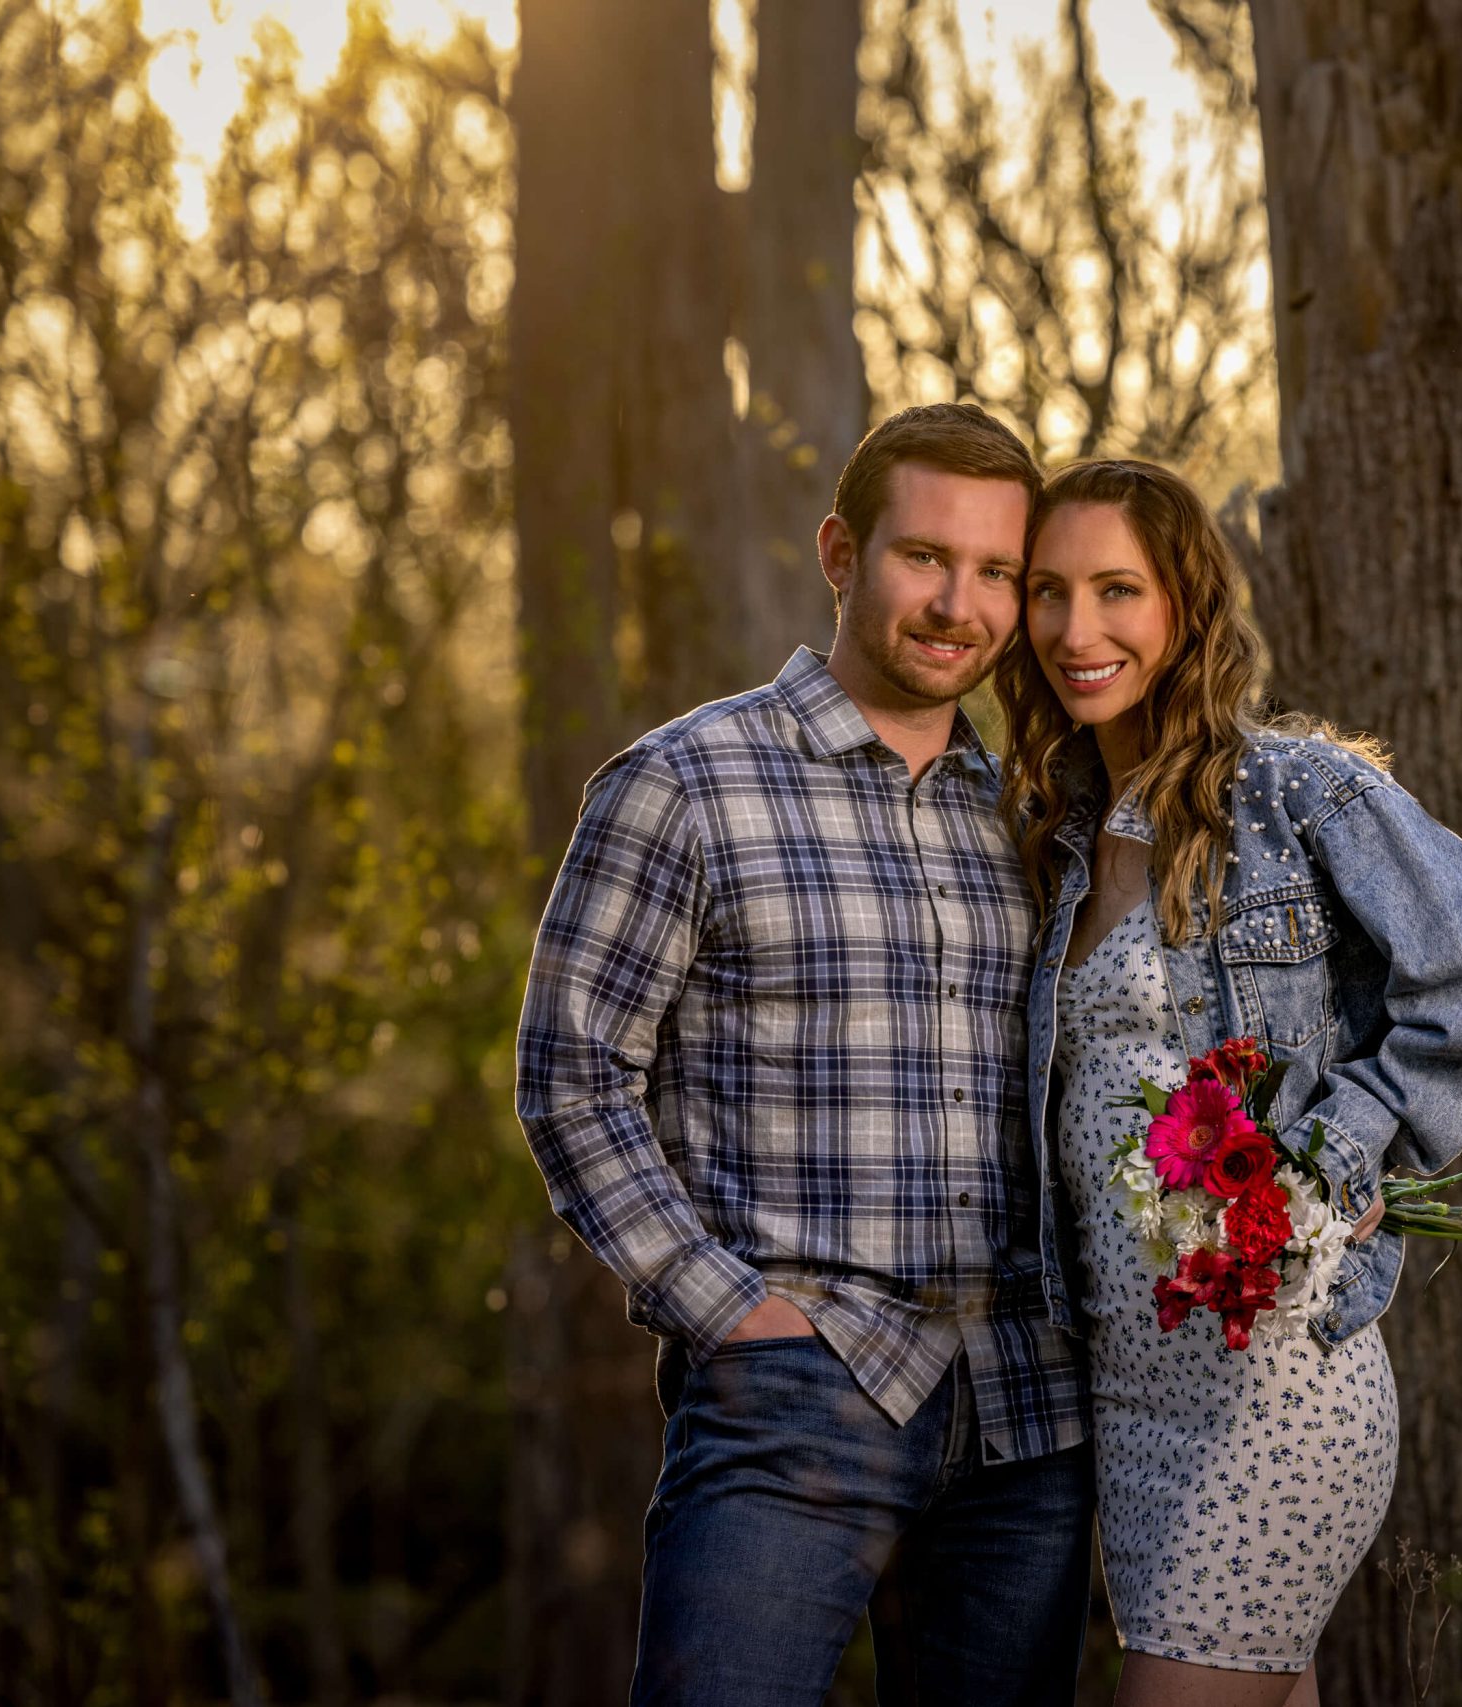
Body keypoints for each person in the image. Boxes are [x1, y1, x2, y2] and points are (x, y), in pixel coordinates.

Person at [514, 403, 1094, 1706]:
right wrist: (737, 1313)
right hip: (793, 1401)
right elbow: (570, 1077)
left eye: (998, 569)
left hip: (1025, 1416)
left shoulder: (1031, 818)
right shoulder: (685, 783)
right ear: (842, 553)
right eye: (924, 557)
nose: (961, 603)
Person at [998, 458, 1462, 1705]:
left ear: (1185, 608)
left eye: (1116, 591)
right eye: (1048, 592)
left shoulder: (1294, 792)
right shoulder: (1050, 826)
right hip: (1125, 1394)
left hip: (1273, 1385)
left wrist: (1340, 1151)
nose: (1075, 631)